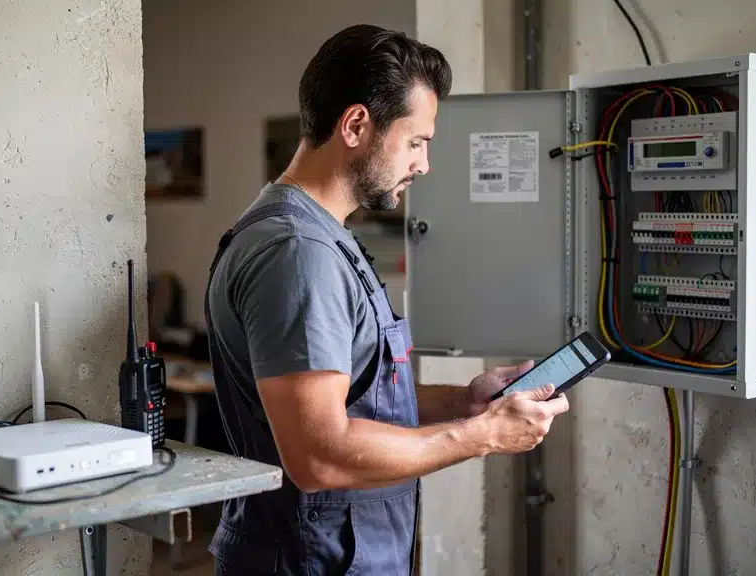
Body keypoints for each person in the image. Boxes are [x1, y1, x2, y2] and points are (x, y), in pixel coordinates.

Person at [203, 23, 570, 575]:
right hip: (309, 561)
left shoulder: (320, 237)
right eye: (416, 141)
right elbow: (319, 453)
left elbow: (349, 394)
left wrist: (463, 402)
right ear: (356, 125)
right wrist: (484, 435)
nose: (423, 165)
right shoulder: (298, 251)